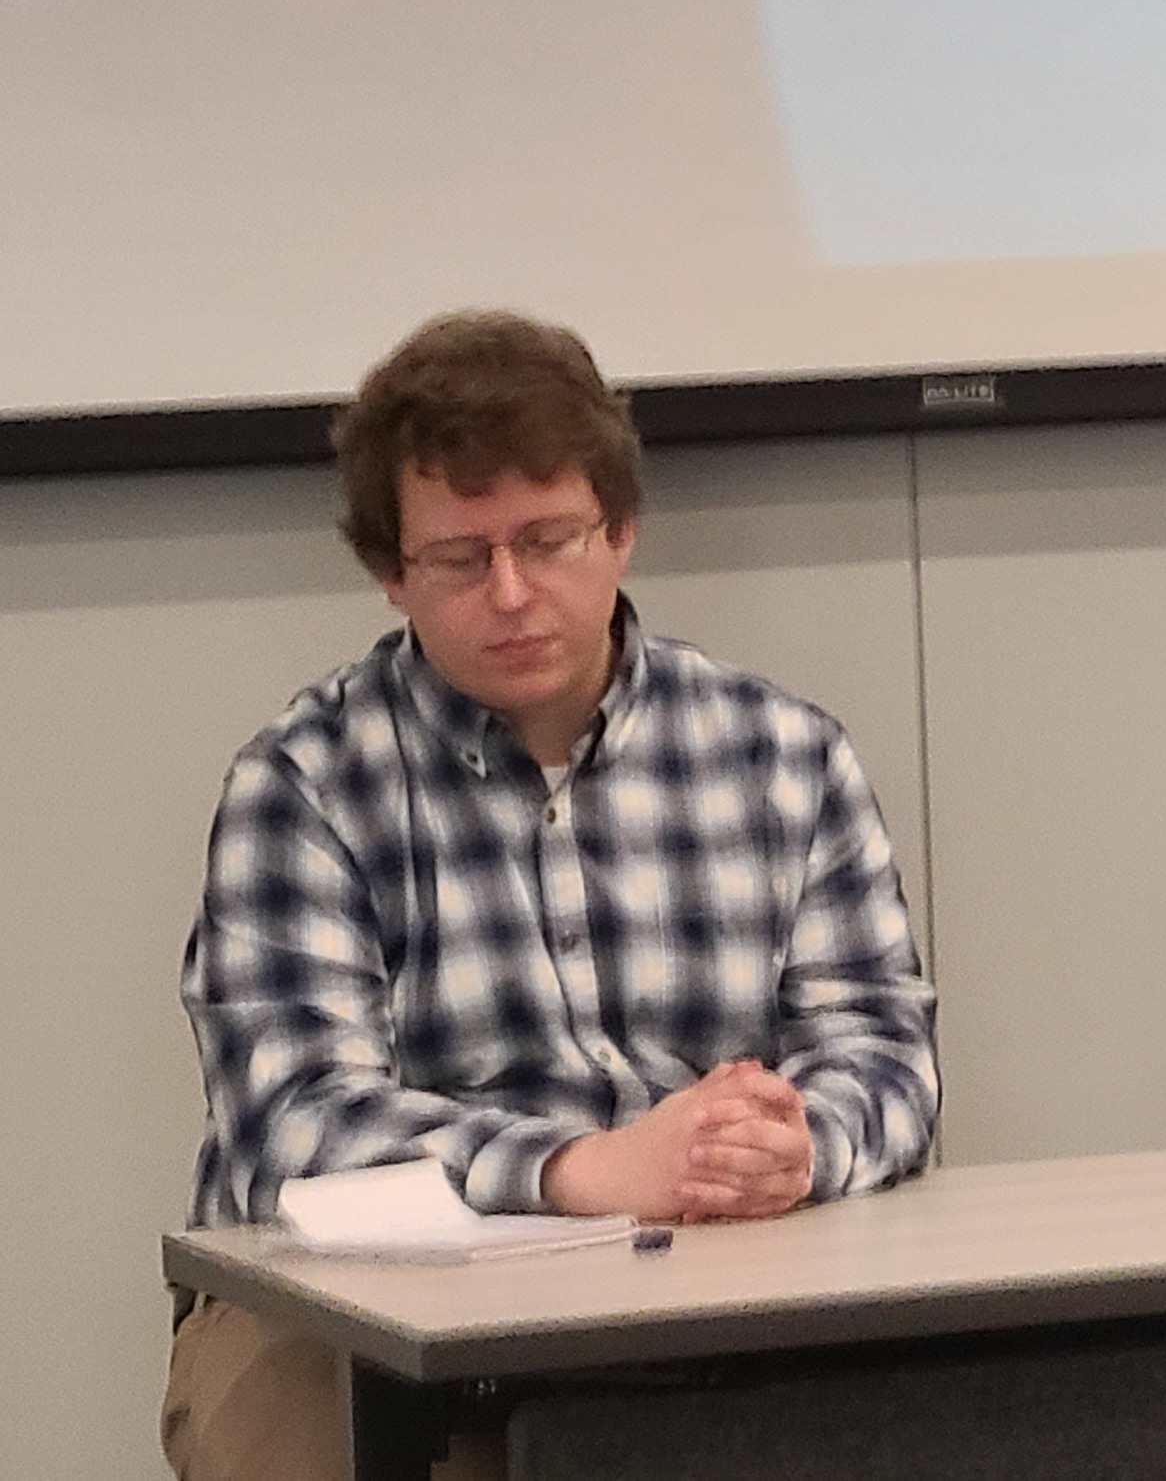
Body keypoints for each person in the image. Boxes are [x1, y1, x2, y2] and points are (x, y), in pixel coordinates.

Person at [166, 312, 938, 1481]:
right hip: (347, 1322)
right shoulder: (305, 782)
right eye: (462, 559)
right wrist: (583, 1172)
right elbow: (298, 1128)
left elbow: (887, 1054)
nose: (513, 593)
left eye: (549, 539)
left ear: (621, 532)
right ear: (392, 574)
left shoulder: (782, 753)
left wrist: (791, 1149)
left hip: (713, 1289)